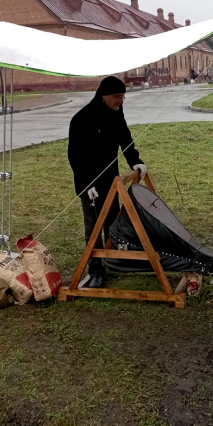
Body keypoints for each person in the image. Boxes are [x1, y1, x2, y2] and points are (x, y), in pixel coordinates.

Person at [68, 76, 146, 288]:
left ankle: (112, 260)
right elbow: (75, 156)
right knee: (93, 228)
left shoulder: (117, 114)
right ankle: (95, 271)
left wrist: (136, 162)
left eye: (122, 97)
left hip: (111, 181)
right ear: (103, 95)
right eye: (116, 97)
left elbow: (126, 140)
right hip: (89, 184)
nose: (120, 101)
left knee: (112, 222)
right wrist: (86, 184)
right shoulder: (81, 119)